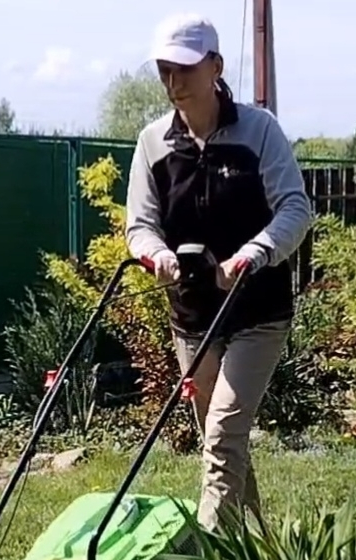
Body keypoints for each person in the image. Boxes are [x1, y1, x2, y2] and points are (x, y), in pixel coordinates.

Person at [124, 12, 313, 533]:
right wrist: (155, 254)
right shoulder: (153, 144)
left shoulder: (259, 132)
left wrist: (255, 252)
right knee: (218, 439)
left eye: (184, 68)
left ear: (216, 67)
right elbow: (139, 226)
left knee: (224, 435)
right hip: (192, 319)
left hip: (256, 312)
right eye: (164, 69)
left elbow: (295, 209)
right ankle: (258, 553)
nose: (173, 82)